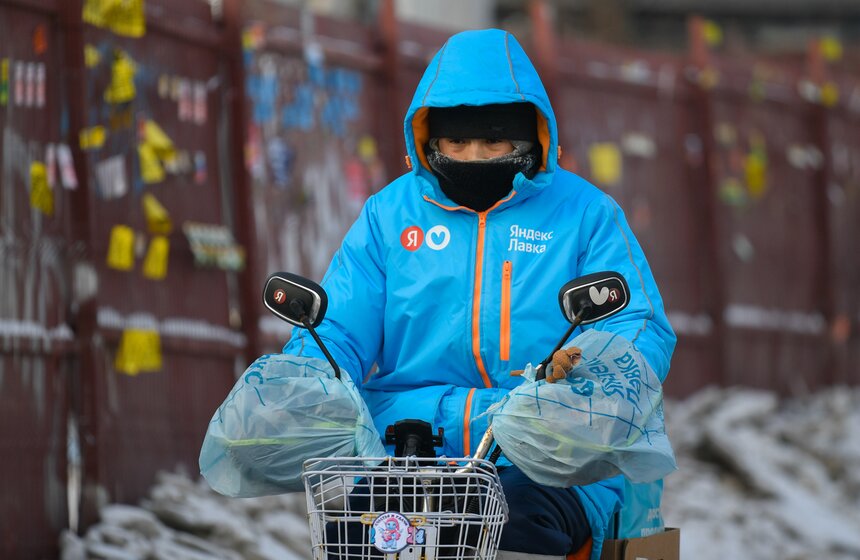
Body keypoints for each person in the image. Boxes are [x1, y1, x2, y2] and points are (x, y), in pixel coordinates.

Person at [282, 29, 675, 560]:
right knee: (361, 531)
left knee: (511, 521)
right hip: (407, 446)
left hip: (551, 453)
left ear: (531, 139)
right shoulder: (388, 216)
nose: (474, 157)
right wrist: (305, 377)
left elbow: (635, 325)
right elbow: (338, 326)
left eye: (494, 143)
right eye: (457, 144)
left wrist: (586, 378)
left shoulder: (586, 214)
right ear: (430, 141)